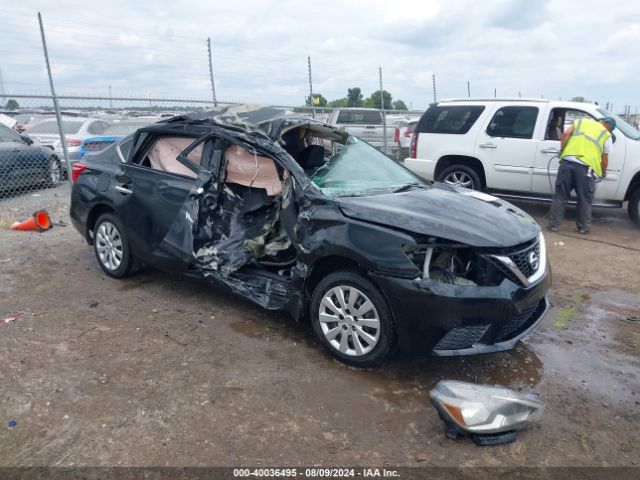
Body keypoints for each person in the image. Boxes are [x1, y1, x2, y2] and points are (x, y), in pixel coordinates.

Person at [547, 116, 616, 234]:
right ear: (609, 127)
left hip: (567, 164)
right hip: (586, 169)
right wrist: (603, 171)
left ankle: (553, 225)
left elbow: (565, 134)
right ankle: (583, 227)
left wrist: (562, 151)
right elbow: (604, 160)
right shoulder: (606, 135)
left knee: (560, 196)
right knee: (584, 199)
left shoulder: (581, 122)